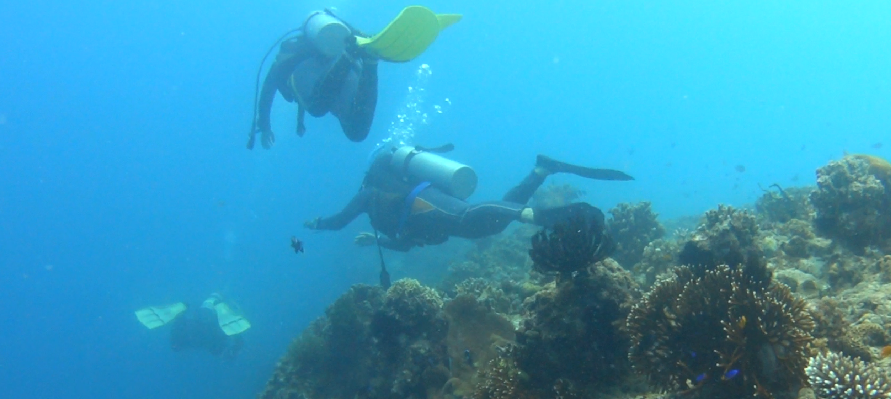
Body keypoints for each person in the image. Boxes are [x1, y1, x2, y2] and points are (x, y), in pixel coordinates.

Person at [303, 146, 634, 252]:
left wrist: (316, 223)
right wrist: (379, 242)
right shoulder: (378, 206)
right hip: (428, 212)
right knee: (486, 225)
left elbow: (337, 223)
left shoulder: (370, 194)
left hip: (427, 203)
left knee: (470, 218)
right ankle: (540, 172)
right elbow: (406, 244)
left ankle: (533, 215)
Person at [248, 7, 460, 149]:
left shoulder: (292, 55)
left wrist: (264, 125)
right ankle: (369, 64)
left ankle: (359, 60)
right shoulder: (329, 42)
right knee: (354, 131)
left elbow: (268, 90)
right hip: (345, 72)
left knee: (320, 110)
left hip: (329, 78)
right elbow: (366, 38)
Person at [134, 294, 250, 358]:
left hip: (195, 331)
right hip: (208, 332)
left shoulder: (186, 334)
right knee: (218, 346)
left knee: (180, 341)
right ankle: (216, 303)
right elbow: (234, 341)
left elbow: (176, 347)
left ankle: (184, 308)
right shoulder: (217, 338)